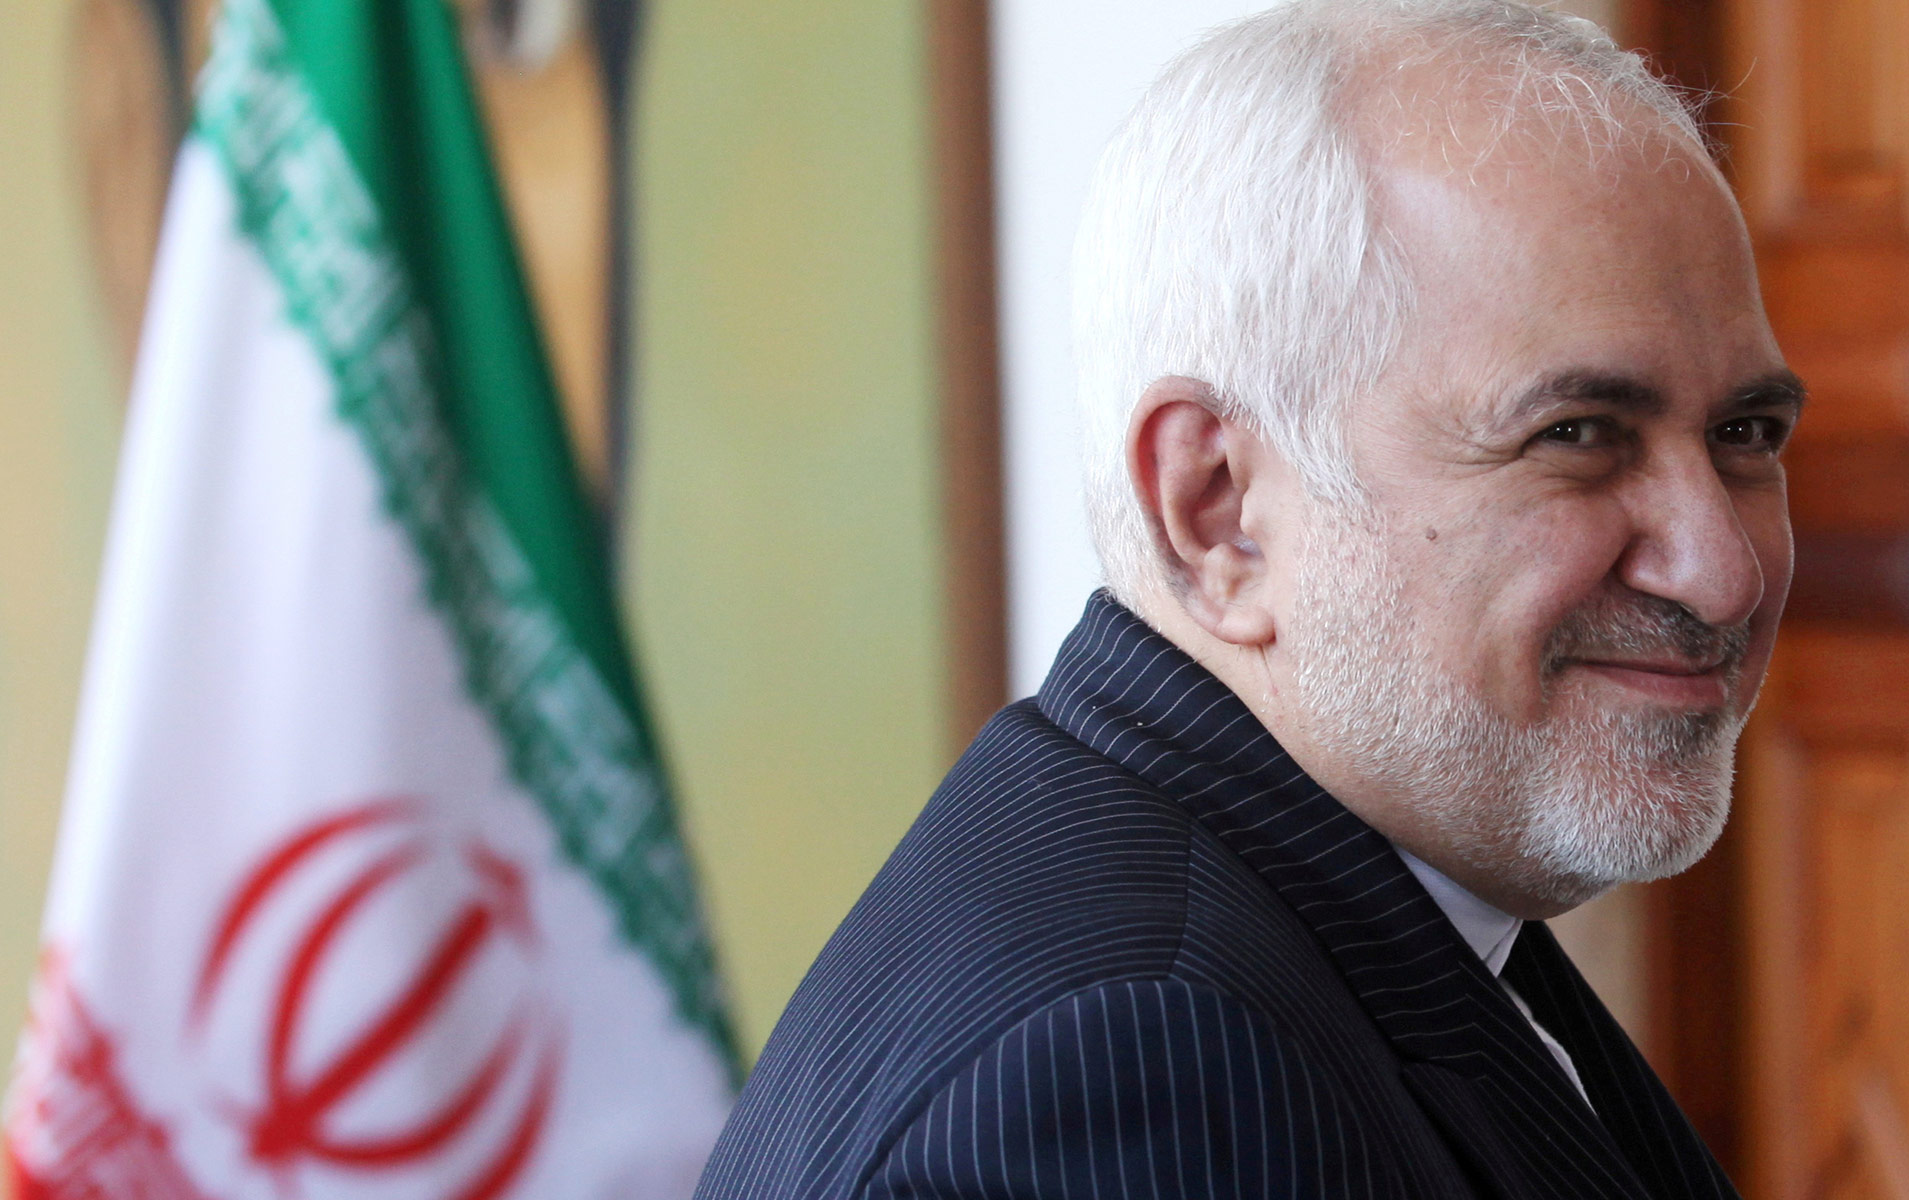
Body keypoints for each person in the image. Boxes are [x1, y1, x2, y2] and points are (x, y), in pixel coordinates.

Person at [695, 1, 1799, 1195]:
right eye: (1574, 434)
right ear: (1215, 512)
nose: (1720, 570)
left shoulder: (1350, 904)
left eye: (1744, 434)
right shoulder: (1138, 1062)